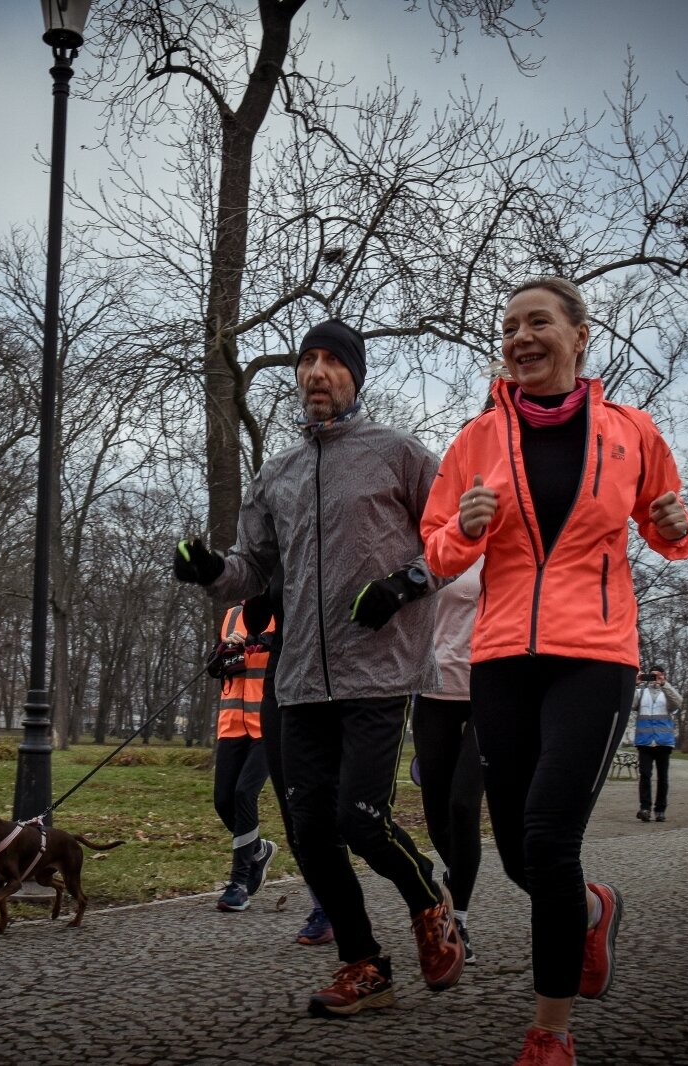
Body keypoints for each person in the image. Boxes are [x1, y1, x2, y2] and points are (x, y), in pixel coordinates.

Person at [420, 278, 688, 1066]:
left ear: (580, 334)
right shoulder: (476, 440)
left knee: (548, 834)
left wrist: (675, 525)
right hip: (501, 659)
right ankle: (592, 911)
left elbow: (669, 530)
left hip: (595, 657)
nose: (520, 338)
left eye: (536, 322)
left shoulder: (632, 431)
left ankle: (551, 1031)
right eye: (509, 328)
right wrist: (464, 530)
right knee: (516, 852)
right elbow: (436, 550)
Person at [174, 319, 464, 1017]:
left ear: (355, 376)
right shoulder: (277, 473)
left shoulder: (399, 454)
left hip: (379, 671)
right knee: (309, 831)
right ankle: (363, 963)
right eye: (307, 360)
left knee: (362, 820)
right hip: (299, 677)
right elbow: (252, 570)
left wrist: (403, 586)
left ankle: (429, 902)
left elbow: (454, 538)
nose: (316, 372)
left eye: (333, 361)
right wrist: (212, 570)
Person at [247, 569, 333, 945]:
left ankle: (423, 897)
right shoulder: (277, 555)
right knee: (293, 807)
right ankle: (324, 905)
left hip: (336, 682)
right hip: (280, 684)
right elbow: (255, 619)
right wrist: (258, 581)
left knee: (342, 811)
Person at [412, 555, 485, 963]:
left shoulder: (497, 548)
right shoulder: (426, 549)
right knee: (437, 815)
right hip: (432, 690)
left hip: (486, 691)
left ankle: (458, 918)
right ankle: (456, 876)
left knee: (463, 804)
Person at [207, 594, 278, 911]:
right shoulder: (231, 614)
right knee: (223, 800)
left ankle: (238, 884)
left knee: (243, 794)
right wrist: (223, 650)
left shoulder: (283, 609)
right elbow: (214, 666)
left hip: (267, 723)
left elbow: (290, 651)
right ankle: (259, 851)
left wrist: (257, 640)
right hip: (232, 723)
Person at [632, 663, 683, 822]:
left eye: (658, 675)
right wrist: (635, 684)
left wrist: (664, 684)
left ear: (663, 676)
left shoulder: (667, 693)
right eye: (652, 675)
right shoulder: (641, 693)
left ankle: (660, 810)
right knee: (645, 775)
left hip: (663, 742)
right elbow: (630, 704)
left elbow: (678, 702)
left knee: (663, 777)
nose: (654, 678)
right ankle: (645, 808)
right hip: (644, 742)